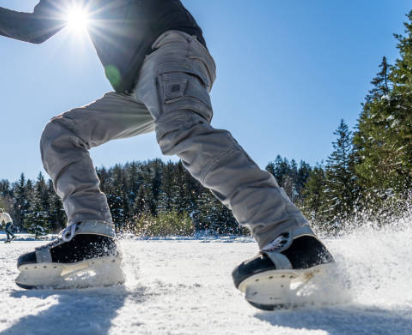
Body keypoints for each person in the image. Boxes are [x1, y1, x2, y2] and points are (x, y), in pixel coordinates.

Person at [0, 0, 334, 307]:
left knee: (181, 127)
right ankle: (92, 238)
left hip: (170, 49)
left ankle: (288, 235)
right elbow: (36, 29)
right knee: (61, 134)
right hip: (135, 87)